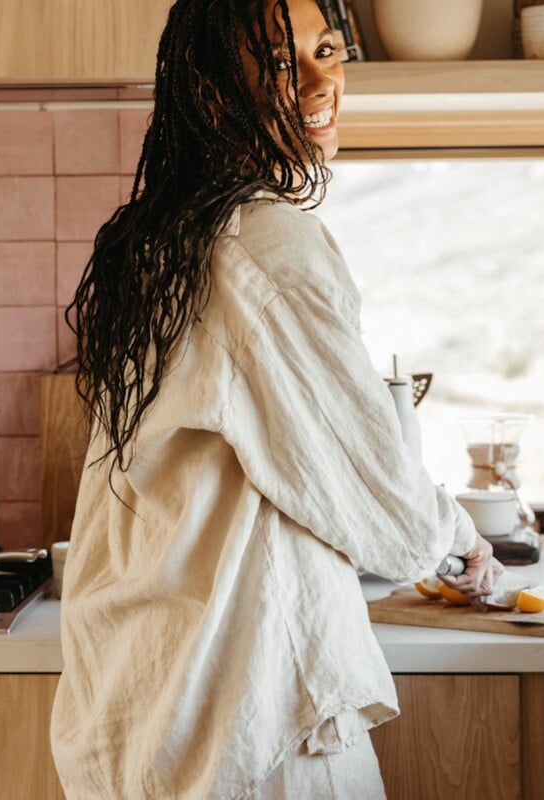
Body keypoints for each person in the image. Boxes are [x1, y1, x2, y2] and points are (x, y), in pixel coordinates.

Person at [50, 0, 504, 797]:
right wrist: (461, 539)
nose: (321, 83)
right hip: (250, 720)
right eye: (283, 63)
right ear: (214, 89)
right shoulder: (264, 240)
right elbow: (372, 487)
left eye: (328, 51)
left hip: (142, 704)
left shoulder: (155, 242)